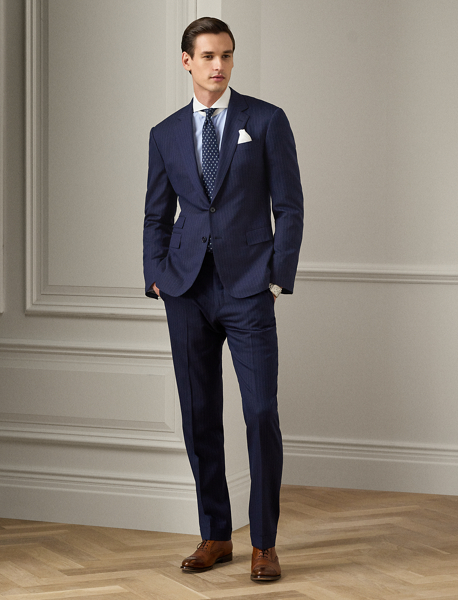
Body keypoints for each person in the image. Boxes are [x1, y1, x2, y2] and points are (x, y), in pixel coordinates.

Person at [143, 16, 303, 582]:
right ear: (187, 60)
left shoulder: (266, 120)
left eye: (227, 55)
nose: (219, 66)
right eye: (208, 56)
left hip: (249, 286)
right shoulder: (165, 133)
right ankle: (215, 533)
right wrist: (156, 276)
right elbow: (156, 215)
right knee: (198, 414)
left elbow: (290, 206)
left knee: (260, 413)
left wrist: (276, 277)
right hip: (186, 289)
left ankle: (263, 542)